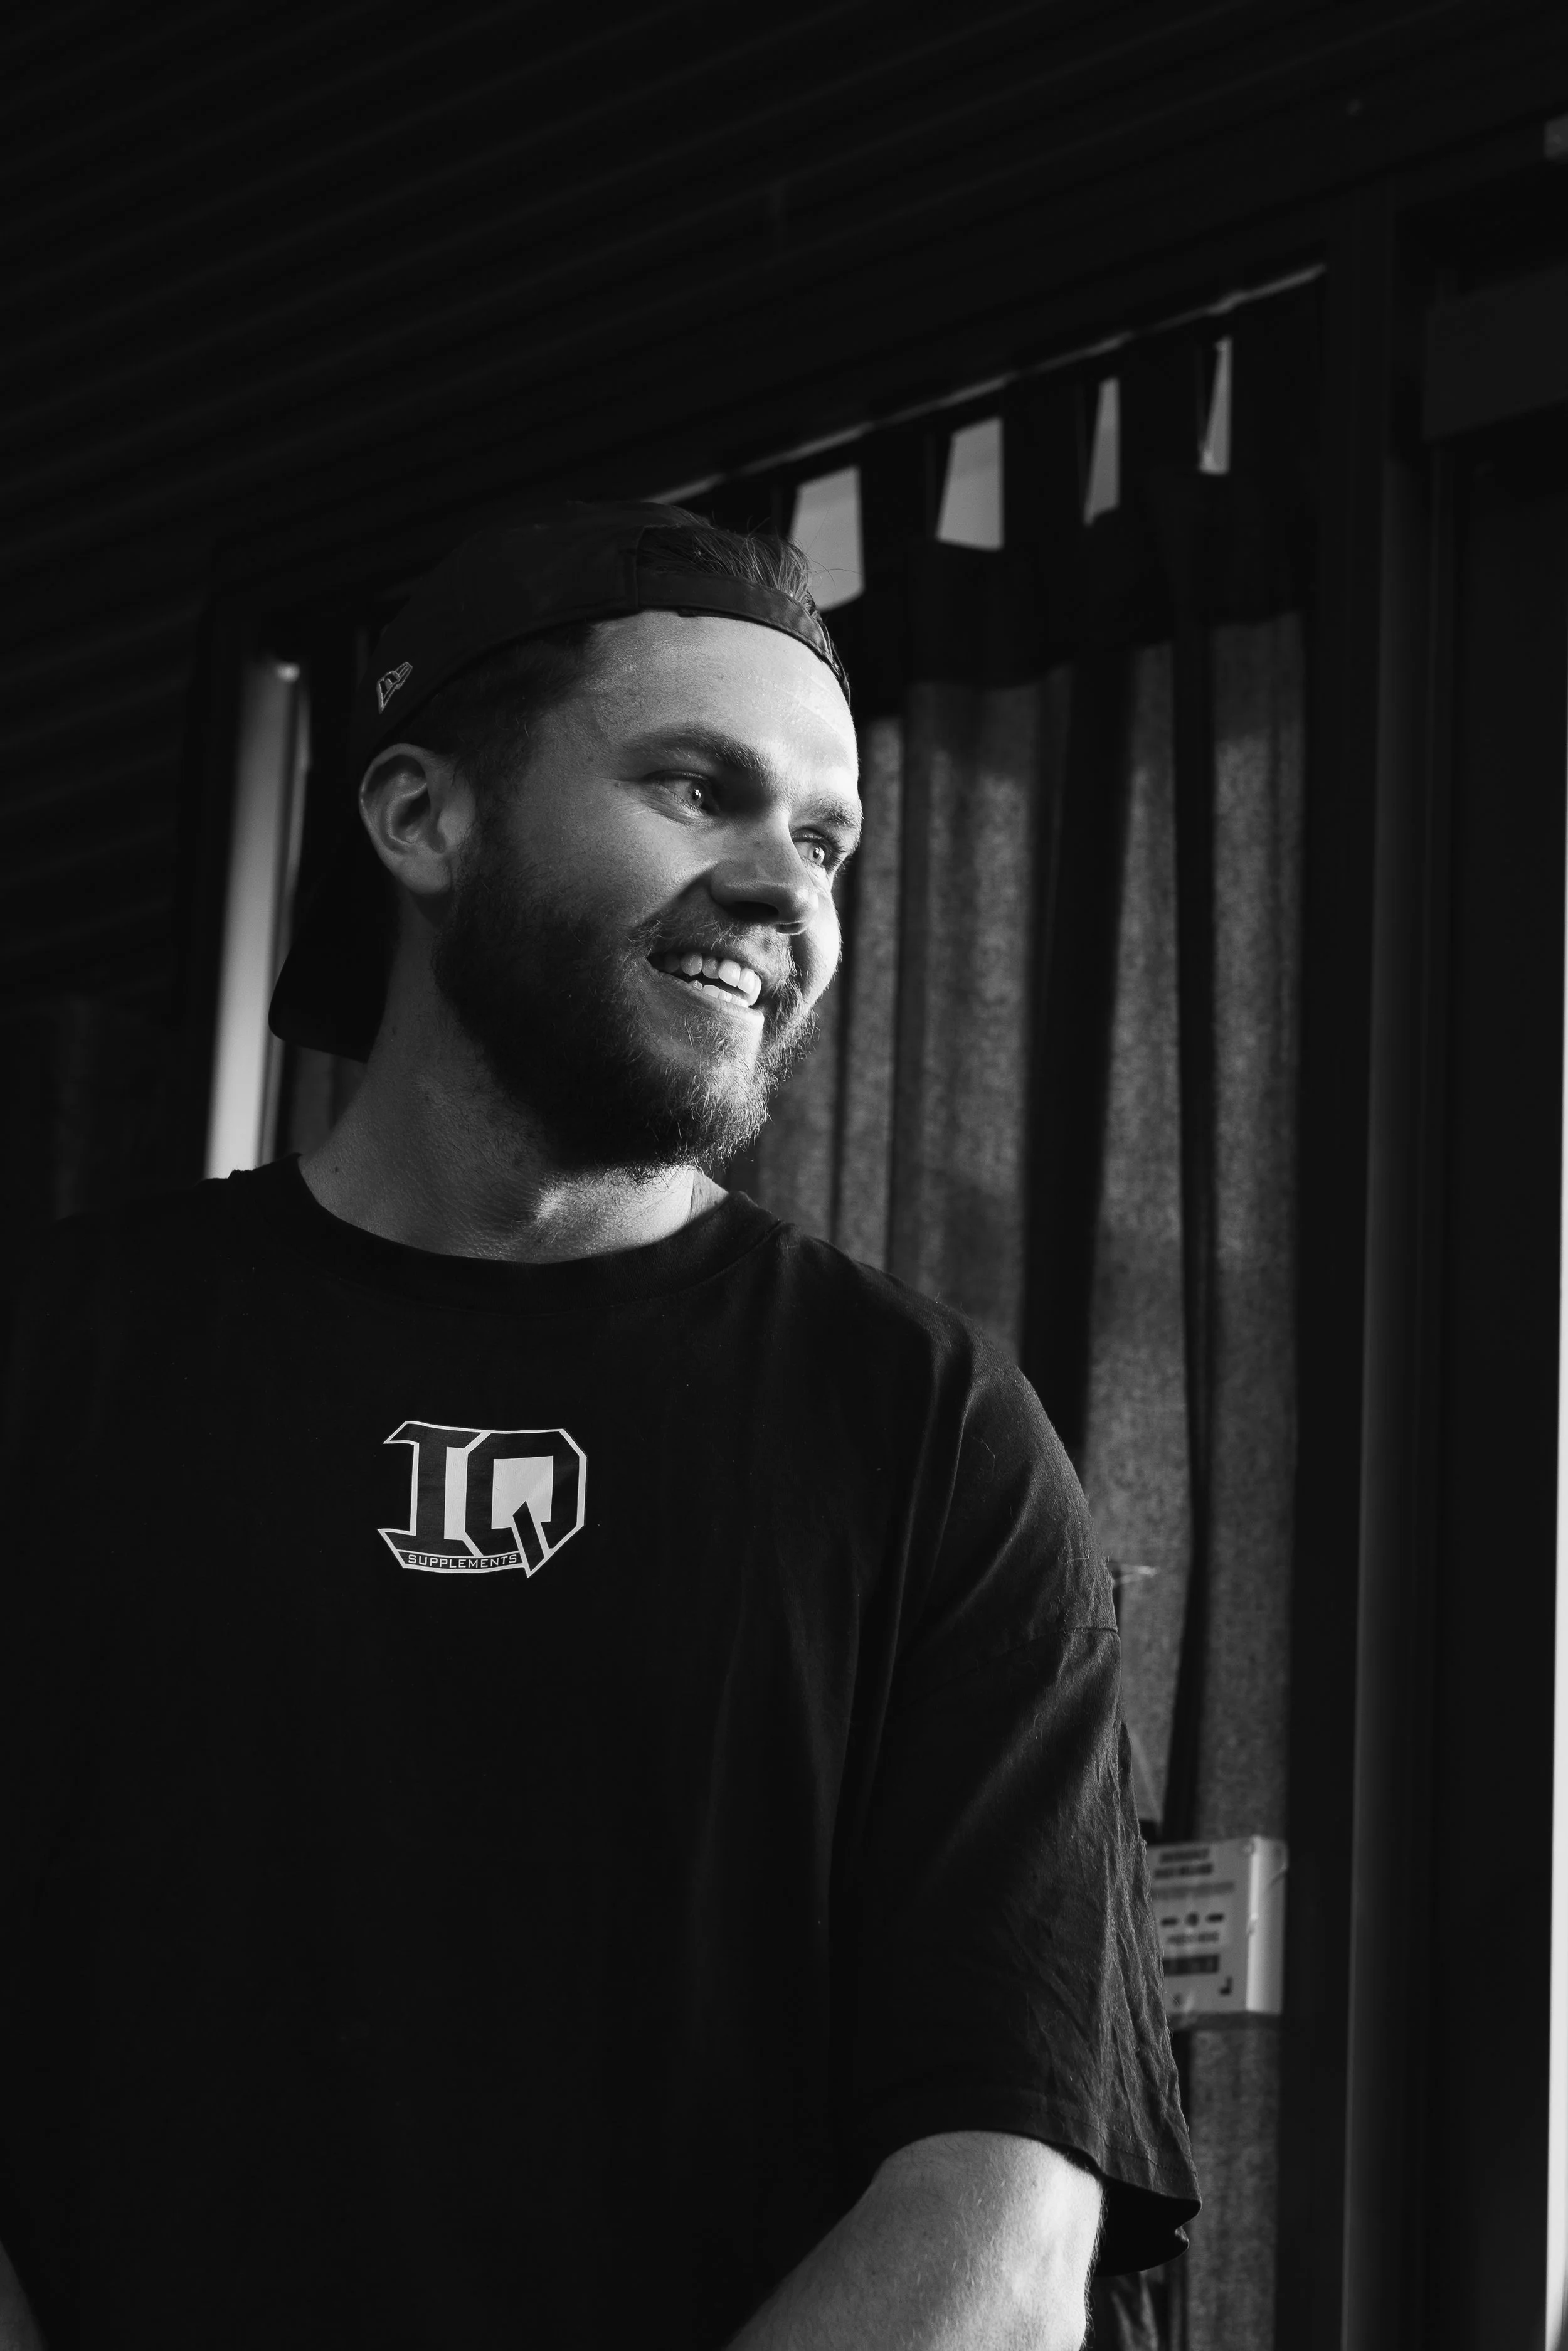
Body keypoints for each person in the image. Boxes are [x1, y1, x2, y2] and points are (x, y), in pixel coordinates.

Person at [0, 504, 1198, 2350]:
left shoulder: (925, 1432)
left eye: (823, 838)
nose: (786, 888)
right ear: (420, 817)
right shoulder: (56, 1372)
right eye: (694, 788)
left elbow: (1005, 2200)